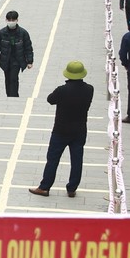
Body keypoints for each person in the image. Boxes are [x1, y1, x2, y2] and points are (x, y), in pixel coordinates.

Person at [30, 62, 94, 199]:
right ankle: (72, 188)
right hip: (80, 130)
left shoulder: (62, 90)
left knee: (53, 159)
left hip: (61, 130)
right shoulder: (89, 89)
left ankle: (44, 187)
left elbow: (50, 99)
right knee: (77, 160)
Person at [0, 11, 35, 97]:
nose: (11, 21)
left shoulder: (23, 33)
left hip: (17, 60)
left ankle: (14, 96)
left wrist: (30, 61)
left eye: (13, 20)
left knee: (13, 78)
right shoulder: (2, 33)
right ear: (6, 20)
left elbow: (28, 47)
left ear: (17, 20)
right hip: (5, 60)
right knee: (7, 79)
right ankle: (9, 95)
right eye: (9, 20)